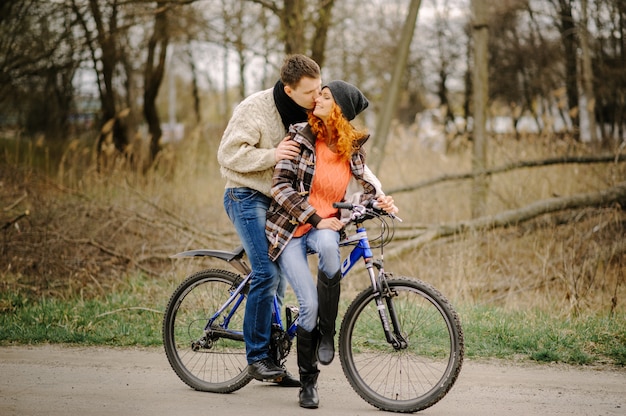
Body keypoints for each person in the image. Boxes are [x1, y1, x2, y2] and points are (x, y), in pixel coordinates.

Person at [265, 80, 398, 408]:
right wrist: (314, 217)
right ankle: (308, 384)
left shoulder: (350, 147)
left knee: (328, 246)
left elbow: (366, 186)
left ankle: (328, 331)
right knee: (308, 303)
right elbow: (279, 186)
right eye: (318, 94)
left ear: (339, 109)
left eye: (325, 96)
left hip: (324, 228)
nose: (317, 98)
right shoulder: (299, 136)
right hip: (290, 229)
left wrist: (380, 202)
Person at [217, 54, 322, 386]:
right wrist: (273, 154)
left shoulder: (311, 114)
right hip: (246, 195)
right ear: (288, 90)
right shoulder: (256, 108)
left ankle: (273, 360)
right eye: (310, 93)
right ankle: (257, 358)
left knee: (281, 278)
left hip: (279, 200)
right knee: (266, 271)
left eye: (320, 89)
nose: (317, 98)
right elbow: (228, 154)